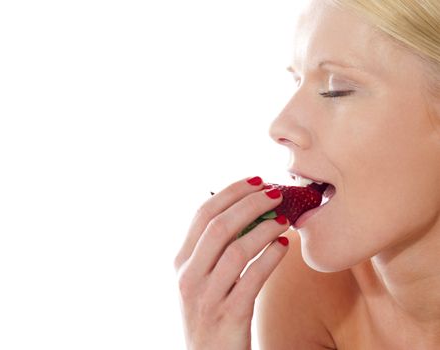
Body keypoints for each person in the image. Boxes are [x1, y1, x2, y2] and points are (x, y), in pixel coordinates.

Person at [173, 0, 440, 348]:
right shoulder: (302, 287)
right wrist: (212, 340)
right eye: (297, 80)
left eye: (336, 88)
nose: (280, 126)